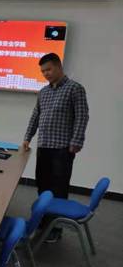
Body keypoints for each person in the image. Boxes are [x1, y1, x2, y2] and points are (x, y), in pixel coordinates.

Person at [23, 52, 89, 243]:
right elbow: (36, 116)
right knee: (43, 187)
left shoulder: (75, 88)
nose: (46, 74)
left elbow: (82, 116)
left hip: (62, 149)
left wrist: (76, 142)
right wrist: (27, 137)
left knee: (58, 190)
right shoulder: (43, 92)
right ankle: (43, 222)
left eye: (49, 69)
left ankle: (55, 230)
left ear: (59, 66)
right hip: (44, 146)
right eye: (43, 71)